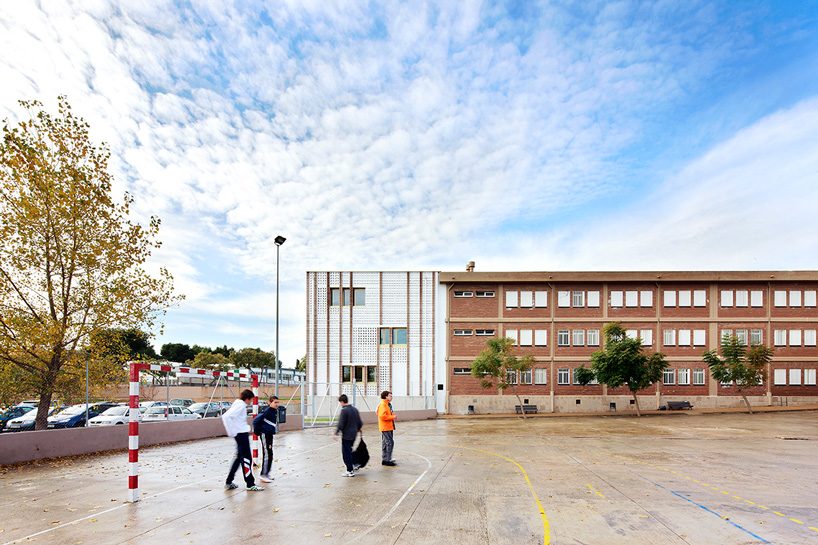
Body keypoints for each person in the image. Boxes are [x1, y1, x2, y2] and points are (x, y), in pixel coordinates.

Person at [222, 389, 264, 491]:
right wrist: (232, 432)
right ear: (247, 398)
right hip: (241, 435)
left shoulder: (238, 404)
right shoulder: (240, 405)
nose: (250, 402)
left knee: (238, 459)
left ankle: (229, 481)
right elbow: (226, 416)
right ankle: (250, 484)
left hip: (240, 434)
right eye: (250, 400)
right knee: (246, 459)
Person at [253, 395, 280, 483]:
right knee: (267, 454)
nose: (277, 404)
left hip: (269, 434)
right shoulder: (267, 411)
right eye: (275, 402)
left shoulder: (274, 411)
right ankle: (263, 475)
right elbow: (256, 421)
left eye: (277, 402)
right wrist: (257, 432)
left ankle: (267, 473)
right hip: (265, 434)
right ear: (270, 402)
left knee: (270, 453)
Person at [334, 394, 362, 477]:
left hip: (347, 435)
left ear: (342, 402)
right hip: (354, 434)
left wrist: (336, 433)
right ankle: (354, 463)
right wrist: (358, 429)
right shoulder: (355, 409)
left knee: (346, 453)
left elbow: (341, 424)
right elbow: (360, 422)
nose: (340, 404)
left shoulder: (344, 410)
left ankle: (350, 470)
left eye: (340, 402)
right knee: (349, 450)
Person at [377, 390, 397, 466]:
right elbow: (382, 416)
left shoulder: (387, 404)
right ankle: (388, 460)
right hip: (385, 427)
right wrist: (393, 416)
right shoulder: (383, 405)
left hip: (388, 426)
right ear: (386, 396)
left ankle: (385, 459)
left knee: (386, 443)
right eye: (390, 396)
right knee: (389, 443)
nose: (391, 397)